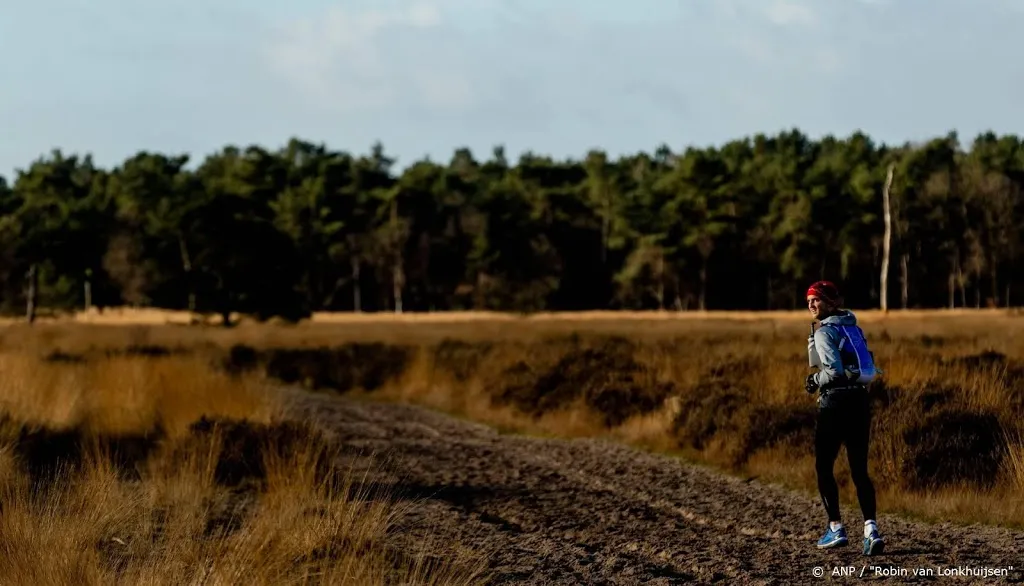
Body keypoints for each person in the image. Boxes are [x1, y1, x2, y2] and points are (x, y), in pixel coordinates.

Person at [804, 280, 885, 556]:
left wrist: (814, 379)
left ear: (830, 302)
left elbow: (834, 371)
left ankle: (836, 528)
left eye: (816, 299)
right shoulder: (854, 328)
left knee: (824, 467)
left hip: (835, 403)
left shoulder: (825, 332)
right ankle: (871, 530)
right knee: (859, 470)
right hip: (860, 401)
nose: (812, 305)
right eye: (809, 301)